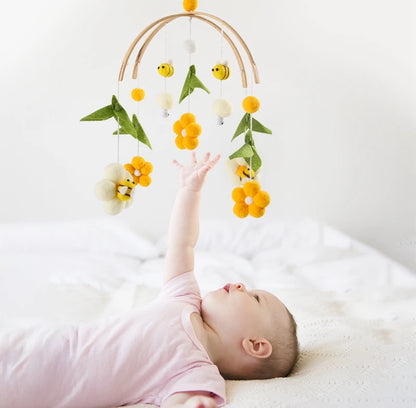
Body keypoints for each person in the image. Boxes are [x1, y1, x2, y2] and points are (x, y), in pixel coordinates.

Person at [0, 152, 298, 408]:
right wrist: (190, 192)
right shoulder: (183, 298)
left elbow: (179, 401)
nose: (241, 285)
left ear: (256, 345)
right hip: (47, 344)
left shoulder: (198, 371)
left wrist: (196, 404)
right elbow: (182, 243)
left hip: (49, 391)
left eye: (255, 297)